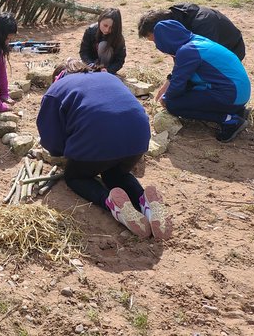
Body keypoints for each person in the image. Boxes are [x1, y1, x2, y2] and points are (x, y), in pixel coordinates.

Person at [36, 58, 172, 239]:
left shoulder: (56, 89)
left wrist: (62, 153)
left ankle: (110, 203)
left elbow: (51, 139)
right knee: (116, 174)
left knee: (76, 176)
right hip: (137, 139)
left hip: (97, 140)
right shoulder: (109, 77)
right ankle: (145, 201)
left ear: (57, 77)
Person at [152, 20, 251, 143]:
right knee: (187, 93)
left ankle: (230, 120)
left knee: (174, 105)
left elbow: (178, 84)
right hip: (240, 93)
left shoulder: (187, 51)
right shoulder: (197, 40)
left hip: (230, 95)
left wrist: (166, 98)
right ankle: (236, 110)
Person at [138, 3, 246, 101]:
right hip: (210, 54)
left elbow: (193, 62)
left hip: (231, 49)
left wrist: (170, 91)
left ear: (161, 29)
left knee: (195, 87)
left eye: (156, 40)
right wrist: (171, 81)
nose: (158, 45)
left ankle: (230, 111)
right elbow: (181, 59)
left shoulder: (202, 24)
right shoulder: (177, 18)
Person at [79, 7, 126, 74]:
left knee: (103, 45)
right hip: (91, 64)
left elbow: (119, 60)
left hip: (107, 67)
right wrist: (91, 64)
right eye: (105, 25)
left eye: (111, 28)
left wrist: (108, 70)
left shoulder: (119, 38)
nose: (107, 30)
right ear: (99, 20)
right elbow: (83, 52)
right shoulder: (90, 31)